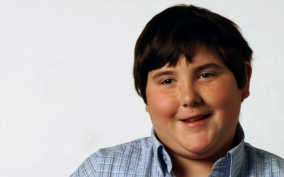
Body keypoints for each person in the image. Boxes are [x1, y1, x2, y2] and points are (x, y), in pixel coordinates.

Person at [71, 4, 284, 177]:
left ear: (244, 79)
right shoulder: (101, 170)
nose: (189, 97)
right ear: (144, 95)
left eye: (206, 75)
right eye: (167, 80)